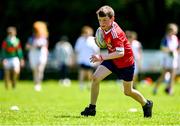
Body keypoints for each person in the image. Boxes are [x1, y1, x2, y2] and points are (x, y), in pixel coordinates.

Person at [80, 5, 153, 118]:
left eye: (105, 20)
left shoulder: (116, 33)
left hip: (126, 64)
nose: (102, 23)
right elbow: (106, 43)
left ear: (112, 19)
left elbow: (120, 53)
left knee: (128, 91)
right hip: (113, 60)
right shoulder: (103, 29)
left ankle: (146, 104)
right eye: (100, 20)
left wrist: (101, 57)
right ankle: (92, 108)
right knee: (95, 78)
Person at [153, 23, 179, 95]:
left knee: (172, 76)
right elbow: (162, 48)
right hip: (167, 59)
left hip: (173, 59)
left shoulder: (175, 38)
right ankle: (155, 88)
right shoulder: (166, 38)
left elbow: (177, 48)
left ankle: (170, 91)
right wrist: (169, 50)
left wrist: (175, 52)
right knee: (163, 76)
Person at [75, 26, 100, 90]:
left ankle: (89, 85)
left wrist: (98, 59)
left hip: (90, 60)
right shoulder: (80, 40)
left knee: (89, 73)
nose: (86, 34)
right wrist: (76, 58)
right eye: (85, 33)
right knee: (81, 72)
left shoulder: (93, 39)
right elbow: (77, 50)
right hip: (82, 60)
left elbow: (97, 50)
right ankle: (81, 85)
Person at [26, 21, 49, 91]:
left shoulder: (44, 38)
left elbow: (45, 47)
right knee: (35, 70)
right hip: (33, 55)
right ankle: (36, 83)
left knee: (40, 69)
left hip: (41, 55)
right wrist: (34, 46)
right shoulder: (31, 39)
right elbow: (27, 47)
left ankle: (39, 84)